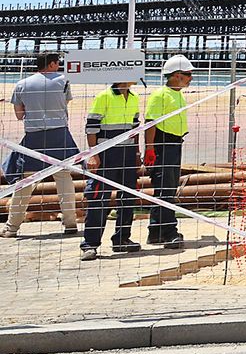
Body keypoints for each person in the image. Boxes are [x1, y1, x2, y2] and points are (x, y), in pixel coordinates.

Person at [3, 53, 80, 238]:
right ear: (52, 64)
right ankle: (70, 223)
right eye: (58, 63)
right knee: (64, 180)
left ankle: (12, 227)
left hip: (34, 136)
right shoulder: (64, 81)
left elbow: (19, 115)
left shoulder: (22, 84)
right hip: (59, 134)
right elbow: (66, 102)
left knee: (25, 183)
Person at [79, 79, 143, 260]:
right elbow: (91, 128)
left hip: (128, 154)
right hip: (106, 153)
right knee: (99, 196)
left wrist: (137, 153)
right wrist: (93, 154)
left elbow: (135, 127)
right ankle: (90, 244)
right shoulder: (104, 97)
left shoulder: (133, 97)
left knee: (128, 195)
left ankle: (122, 239)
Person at [144, 55, 193, 249]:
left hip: (174, 143)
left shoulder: (177, 94)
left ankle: (156, 232)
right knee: (165, 189)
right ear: (176, 76)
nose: (191, 78)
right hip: (163, 144)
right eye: (188, 74)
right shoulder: (160, 95)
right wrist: (149, 148)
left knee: (168, 188)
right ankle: (168, 232)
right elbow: (150, 122)